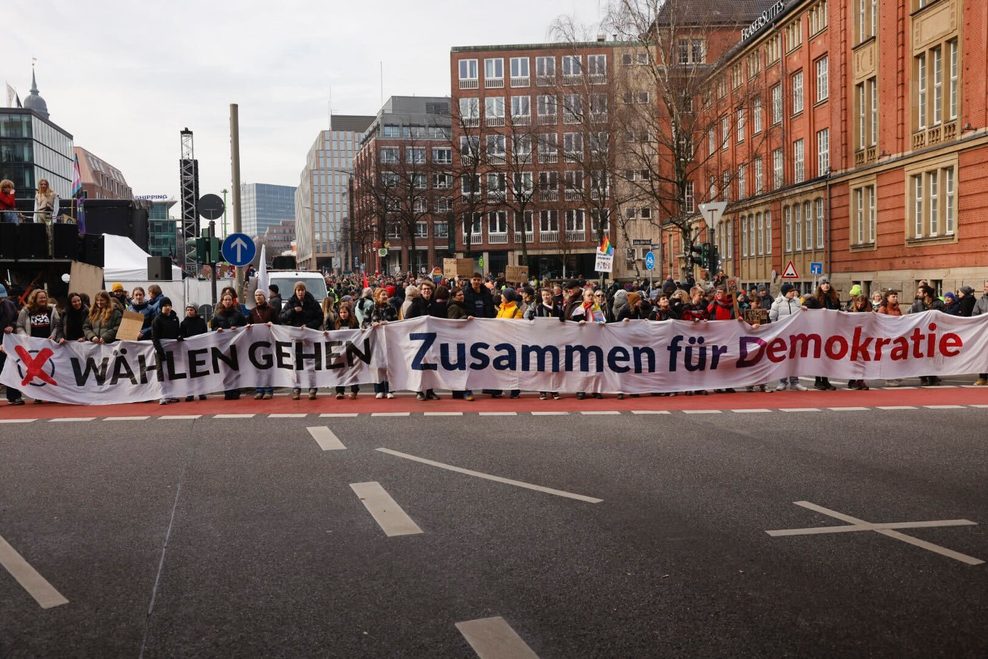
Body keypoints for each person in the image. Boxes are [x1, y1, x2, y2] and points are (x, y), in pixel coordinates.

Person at [803, 278, 841, 390]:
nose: (826, 285)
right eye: (823, 283)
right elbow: (806, 306)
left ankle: (825, 380)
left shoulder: (834, 298)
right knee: (819, 355)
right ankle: (818, 380)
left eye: (827, 283)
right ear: (819, 286)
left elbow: (838, 311)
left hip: (831, 330)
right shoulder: (815, 299)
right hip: (818, 330)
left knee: (828, 355)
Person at [769, 283, 806, 391]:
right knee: (783, 358)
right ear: (785, 292)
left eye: (793, 291)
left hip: (795, 334)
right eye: (790, 291)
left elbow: (801, 316)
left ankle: (795, 382)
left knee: (794, 358)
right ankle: (782, 381)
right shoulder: (777, 303)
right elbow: (772, 318)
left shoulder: (797, 302)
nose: (793, 293)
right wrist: (775, 332)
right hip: (783, 335)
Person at [210, 292, 247, 400]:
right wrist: (217, 329)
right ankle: (228, 391)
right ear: (222, 302)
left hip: (235, 345)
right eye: (225, 300)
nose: (227, 301)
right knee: (226, 369)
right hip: (223, 346)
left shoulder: (238, 314)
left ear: (232, 301)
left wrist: (237, 328)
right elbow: (212, 327)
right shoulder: (218, 315)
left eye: (229, 299)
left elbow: (244, 326)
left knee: (235, 368)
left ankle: (236, 391)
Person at [909, 284, 945, 386]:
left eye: (920, 292)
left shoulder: (939, 303)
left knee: (933, 355)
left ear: (926, 294)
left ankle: (933, 376)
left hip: (935, 333)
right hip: (921, 334)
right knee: (922, 355)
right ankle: (923, 377)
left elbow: (945, 316)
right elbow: (912, 317)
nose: (917, 294)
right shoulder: (916, 304)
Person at [249, 290, 279, 399]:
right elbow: (247, 324)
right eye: (256, 295)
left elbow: (278, 324)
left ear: (264, 296)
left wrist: (273, 324)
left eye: (260, 295)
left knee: (268, 367)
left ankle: (268, 390)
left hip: (268, 342)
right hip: (256, 342)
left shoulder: (271, 310)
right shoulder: (252, 311)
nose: (258, 297)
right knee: (258, 367)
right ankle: (259, 390)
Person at [151, 297, 182, 405]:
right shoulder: (157, 320)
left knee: (171, 372)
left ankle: (171, 394)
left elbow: (177, 331)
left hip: (172, 350)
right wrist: (160, 351)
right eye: (165, 306)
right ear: (161, 307)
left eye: (169, 305)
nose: (167, 308)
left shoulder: (175, 318)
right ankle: (163, 395)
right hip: (161, 350)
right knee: (162, 373)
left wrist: (179, 336)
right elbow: (154, 338)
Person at [368, 287, 397, 399]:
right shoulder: (371, 308)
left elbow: (396, 323)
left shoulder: (391, 308)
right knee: (377, 365)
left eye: (386, 294)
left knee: (388, 365)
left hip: (388, 339)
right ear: (377, 296)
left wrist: (388, 323)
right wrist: (372, 325)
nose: (385, 296)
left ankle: (389, 389)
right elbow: (364, 324)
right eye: (382, 294)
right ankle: (379, 389)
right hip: (375, 340)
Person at [0, 283, 25, 405]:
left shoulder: (9, 305)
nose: (1, 300)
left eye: (2, 298)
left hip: (8, 341)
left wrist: (11, 326)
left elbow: (17, 319)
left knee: (12, 367)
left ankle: (14, 396)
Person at [333, 302, 360, 400]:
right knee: (340, 371)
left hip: (351, 350)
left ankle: (354, 390)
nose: (343, 314)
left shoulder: (353, 323)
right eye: (341, 312)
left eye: (344, 312)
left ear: (349, 313)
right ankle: (340, 391)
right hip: (339, 350)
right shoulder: (336, 323)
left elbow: (358, 334)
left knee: (352, 370)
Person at [845, 294, 873, 390]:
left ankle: (860, 380)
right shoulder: (850, 312)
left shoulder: (869, 313)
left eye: (862, 302)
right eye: (858, 302)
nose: (860, 304)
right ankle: (853, 381)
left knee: (862, 361)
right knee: (854, 361)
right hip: (852, 339)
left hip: (864, 339)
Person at [34, 179, 58, 255]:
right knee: (40, 234)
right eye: (41, 184)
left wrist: (54, 217)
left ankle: (50, 253)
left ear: (47, 185)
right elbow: (36, 207)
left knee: (50, 234)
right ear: (39, 185)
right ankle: (41, 252)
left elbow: (57, 207)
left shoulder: (53, 194)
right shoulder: (37, 195)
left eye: (45, 184)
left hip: (48, 216)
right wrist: (34, 218)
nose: (43, 185)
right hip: (39, 216)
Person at [972, 282, 988, 385]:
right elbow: (974, 314)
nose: (985, 288)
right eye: (985, 286)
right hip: (983, 332)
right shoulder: (979, 301)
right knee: (982, 354)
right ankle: (982, 377)